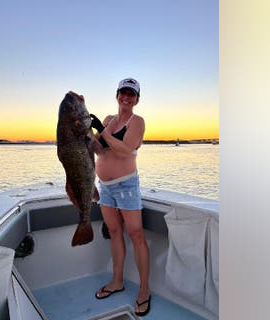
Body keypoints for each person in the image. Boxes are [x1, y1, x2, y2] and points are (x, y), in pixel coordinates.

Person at [89, 78, 151, 317]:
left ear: (137, 99)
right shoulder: (108, 120)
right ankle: (117, 281)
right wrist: (88, 134)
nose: (126, 97)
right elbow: (100, 150)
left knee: (136, 234)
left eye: (131, 94)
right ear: (117, 95)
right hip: (104, 186)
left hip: (126, 185)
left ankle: (144, 290)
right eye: (123, 93)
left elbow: (125, 149)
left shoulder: (137, 122)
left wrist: (102, 133)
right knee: (114, 232)